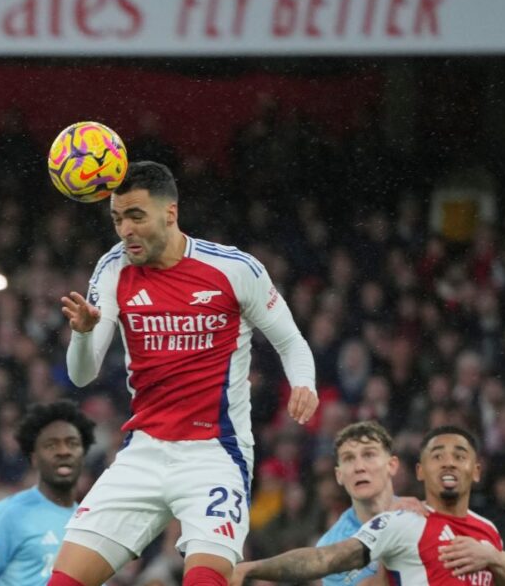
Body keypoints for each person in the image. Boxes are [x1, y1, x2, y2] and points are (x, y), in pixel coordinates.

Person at [53, 161, 319, 586]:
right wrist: (83, 336)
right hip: (143, 453)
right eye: (118, 218)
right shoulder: (113, 268)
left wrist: (303, 383)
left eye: (136, 216)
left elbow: (291, 342)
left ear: (170, 213)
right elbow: (81, 375)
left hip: (214, 455)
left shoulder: (235, 269)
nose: (125, 230)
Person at [234, 426, 505, 586]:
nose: (448, 462)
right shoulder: (399, 524)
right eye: (437, 456)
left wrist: (496, 558)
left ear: (476, 471)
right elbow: (325, 559)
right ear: (420, 471)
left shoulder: (487, 531)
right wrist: (251, 569)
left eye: (459, 455)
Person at [0, 400, 96, 586]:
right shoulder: (8, 515)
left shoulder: (89, 525)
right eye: (51, 445)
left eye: (72, 444)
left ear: (83, 456)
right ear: (35, 458)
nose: (63, 452)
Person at [315, 420, 427, 586]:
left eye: (369, 455)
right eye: (348, 459)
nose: (359, 467)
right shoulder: (331, 546)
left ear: (392, 465)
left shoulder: (421, 514)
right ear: (339, 475)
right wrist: (389, 527)